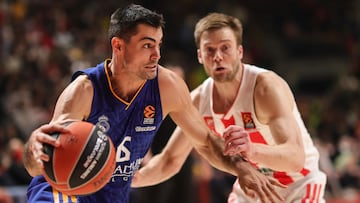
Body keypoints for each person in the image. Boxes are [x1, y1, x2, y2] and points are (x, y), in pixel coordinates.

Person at [22, 4, 283, 203]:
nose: (156, 54)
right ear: (118, 46)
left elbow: (205, 141)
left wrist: (240, 168)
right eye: (147, 45)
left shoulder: (166, 86)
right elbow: (39, 164)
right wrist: (32, 150)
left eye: (158, 44)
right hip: (63, 192)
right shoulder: (83, 91)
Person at [132, 12, 327, 203]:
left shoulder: (265, 88)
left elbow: (295, 157)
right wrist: (130, 180)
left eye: (225, 48)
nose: (218, 56)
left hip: (299, 183)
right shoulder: (198, 101)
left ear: (239, 52)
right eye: (209, 50)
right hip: (252, 185)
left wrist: (251, 150)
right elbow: (170, 160)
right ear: (200, 56)